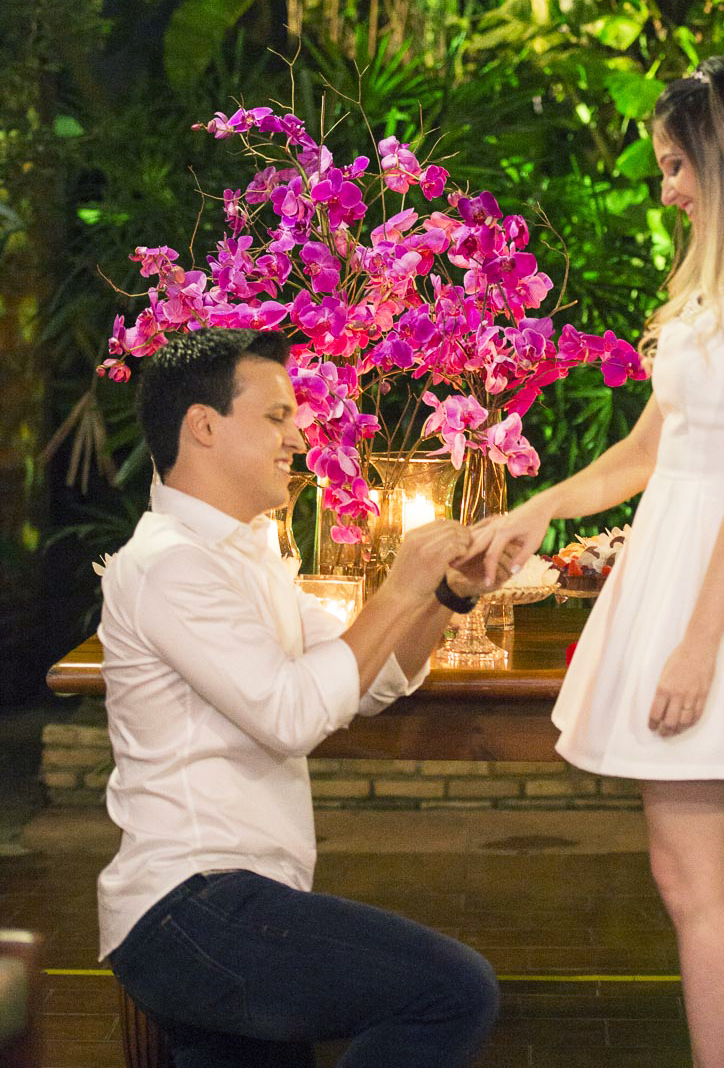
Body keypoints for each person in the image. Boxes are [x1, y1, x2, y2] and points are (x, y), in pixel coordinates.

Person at [472, 55, 724, 1068]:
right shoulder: (716, 283)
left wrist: (699, 643)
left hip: (722, 586)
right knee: (682, 872)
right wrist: (540, 508)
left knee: (696, 876)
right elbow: (647, 451)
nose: (666, 190)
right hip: (678, 561)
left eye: (675, 166)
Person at [97, 327, 509, 1068]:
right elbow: (292, 715)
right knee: (451, 990)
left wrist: (444, 595)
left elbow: (370, 678)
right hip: (189, 906)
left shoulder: (245, 555)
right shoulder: (170, 564)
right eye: (277, 416)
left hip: (231, 900)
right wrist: (398, 587)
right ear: (203, 426)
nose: (297, 437)